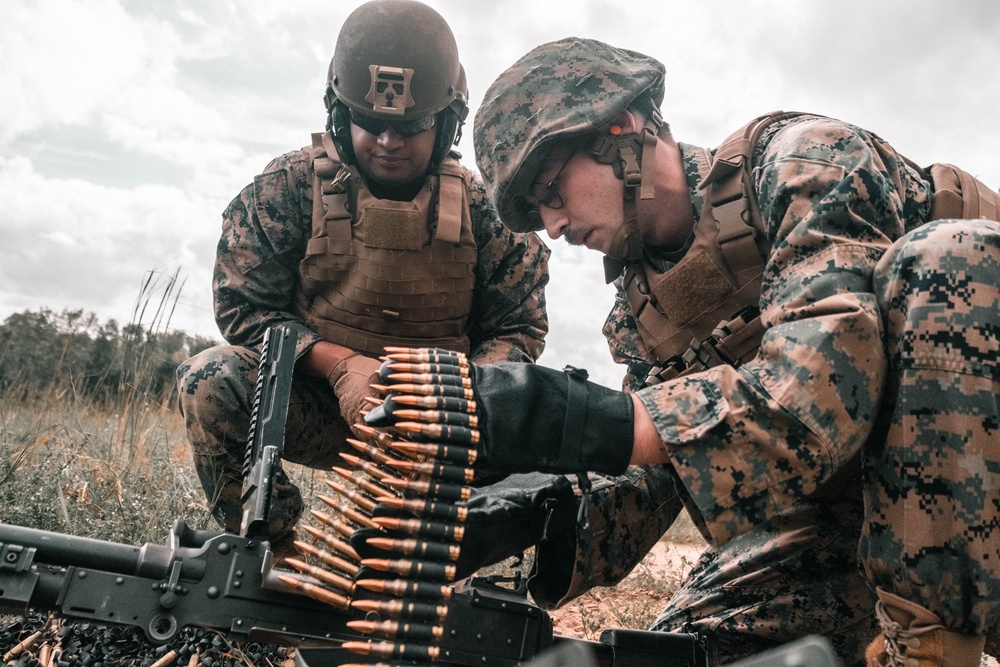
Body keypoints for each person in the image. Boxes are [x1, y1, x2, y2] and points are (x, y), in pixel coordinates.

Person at [368, 37, 1000, 667]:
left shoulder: (805, 166)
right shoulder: (642, 315)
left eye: (552, 190)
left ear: (621, 125)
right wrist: (527, 521)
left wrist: (575, 415)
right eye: (538, 213)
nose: (554, 227)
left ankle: (930, 654)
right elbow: (654, 473)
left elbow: (815, 398)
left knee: (947, 261)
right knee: (673, 656)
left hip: (979, 483)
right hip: (862, 518)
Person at [174, 0, 549, 553]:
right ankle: (275, 553)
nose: (389, 142)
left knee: (555, 430)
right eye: (370, 122)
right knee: (210, 381)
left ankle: (433, 560)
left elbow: (518, 329)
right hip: (320, 404)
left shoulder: (489, 214)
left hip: (441, 424)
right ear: (338, 113)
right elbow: (242, 308)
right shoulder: (288, 189)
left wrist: (450, 399)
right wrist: (342, 366)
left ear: (446, 123)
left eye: (410, 126)